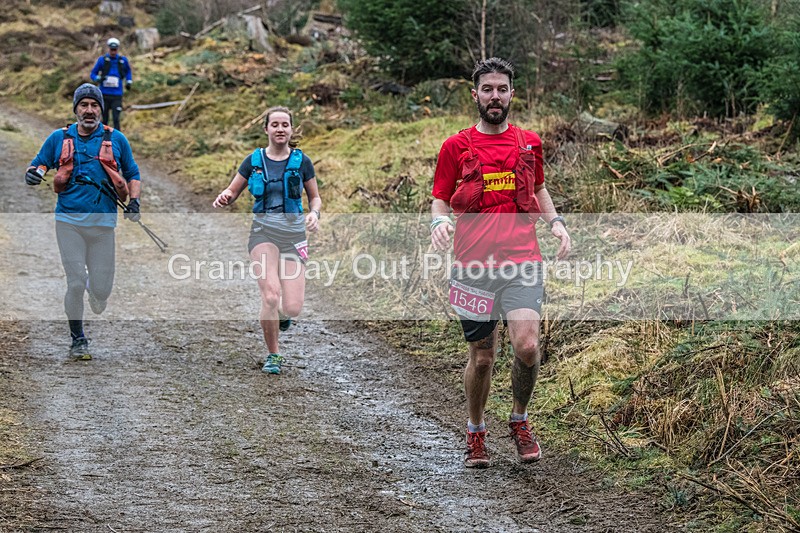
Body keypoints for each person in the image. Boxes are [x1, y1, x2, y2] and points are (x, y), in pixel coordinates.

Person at [430, 57, 571, 468]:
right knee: (483, 356)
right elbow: (440, 196)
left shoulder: (529, 143)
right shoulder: (455, 146)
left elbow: (540, 189)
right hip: (472, 265)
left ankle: (519, 420)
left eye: (502, 89)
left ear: (512, 94)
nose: (495, 96)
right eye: (487, 89)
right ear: (475, 95)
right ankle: (476, 432)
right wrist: (438, 222)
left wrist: (557, 224)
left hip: (522, 260)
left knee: (527, 346)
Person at [25, 83, 143, 360]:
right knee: (75, 282)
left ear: (101, 110)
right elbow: (39, 164)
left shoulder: (117, 140)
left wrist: (134, 202)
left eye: (94, 106)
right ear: (76, 109)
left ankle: (96, 290)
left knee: (102, 289)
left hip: (103, 226)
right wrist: (33, 173)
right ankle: (78, 340)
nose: (89, 111)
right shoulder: (59, 137)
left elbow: (132, 173)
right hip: (68, 222)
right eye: (84, 105)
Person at [213, 106, 322, 375]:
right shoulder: (253, 160)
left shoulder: (302, 161)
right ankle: (274, 354)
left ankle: (283, 317)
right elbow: (232, 189)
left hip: (294, 235)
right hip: (263, 233)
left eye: (285, 124)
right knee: (271, 295)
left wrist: (315, 214)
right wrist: (225, 196)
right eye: (275, 124)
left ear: (292, 129)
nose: (280, 129)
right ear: (266, 129)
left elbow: (315, 197)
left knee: (292, 308)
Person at [90, 37, 132, 131]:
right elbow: (93, 73)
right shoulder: (102, 60)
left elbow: (128, 71)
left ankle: (117, 140)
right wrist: (98, 78)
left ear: (117, 49)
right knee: (104, 119)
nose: (113, 52)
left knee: (116, 118)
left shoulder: (123, 60)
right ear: (108, 49)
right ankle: (102, 139)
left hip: (117, 95)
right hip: (104, 94)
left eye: (115, 50)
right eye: (111, 49)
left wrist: (129, 81)